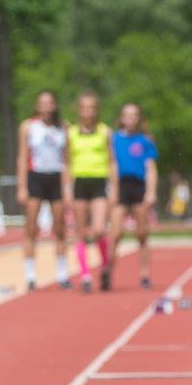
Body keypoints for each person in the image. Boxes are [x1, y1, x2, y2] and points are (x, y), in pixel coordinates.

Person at [16, 90, 70, 290]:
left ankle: (62, 273)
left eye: (50, 103)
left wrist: (67, 186)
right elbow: (22, 157)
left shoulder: (63, 127)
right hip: (36, 177)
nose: (47, 107)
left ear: (54, 105)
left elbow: (67, 159)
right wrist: (22, 186)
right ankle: (30, 275)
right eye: (43, 103)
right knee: (31, 227)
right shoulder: (29, 126)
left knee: (60, 228)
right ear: (37, 106)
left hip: (55, 178)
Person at [66, 92, 115, 293]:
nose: (88, 112)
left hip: (99, 182)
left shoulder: (105, 132)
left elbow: (112, 161)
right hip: (79, 183)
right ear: (79, 110)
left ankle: (104, 267)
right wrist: (67, 188)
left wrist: (113, 187)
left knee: (98, 229)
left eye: (91, 108)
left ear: (96, 110)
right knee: (80, 232)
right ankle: (85, 275)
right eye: (84, 108)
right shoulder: (71, 133)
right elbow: (67, 163)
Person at [106, 103, 159, 290]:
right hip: (121, 187)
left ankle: (144, 275)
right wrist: (112, 190)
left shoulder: (145, 140)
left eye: (134, 115)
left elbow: (151, 169)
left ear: (139, 118)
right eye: (127, 115)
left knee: (142, 234)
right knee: (116, 233)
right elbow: (110, 165)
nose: (130, 118)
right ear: (121, 118)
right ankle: (108, 272)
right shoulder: (113, 139)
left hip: (139, 188)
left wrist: (151, 192)